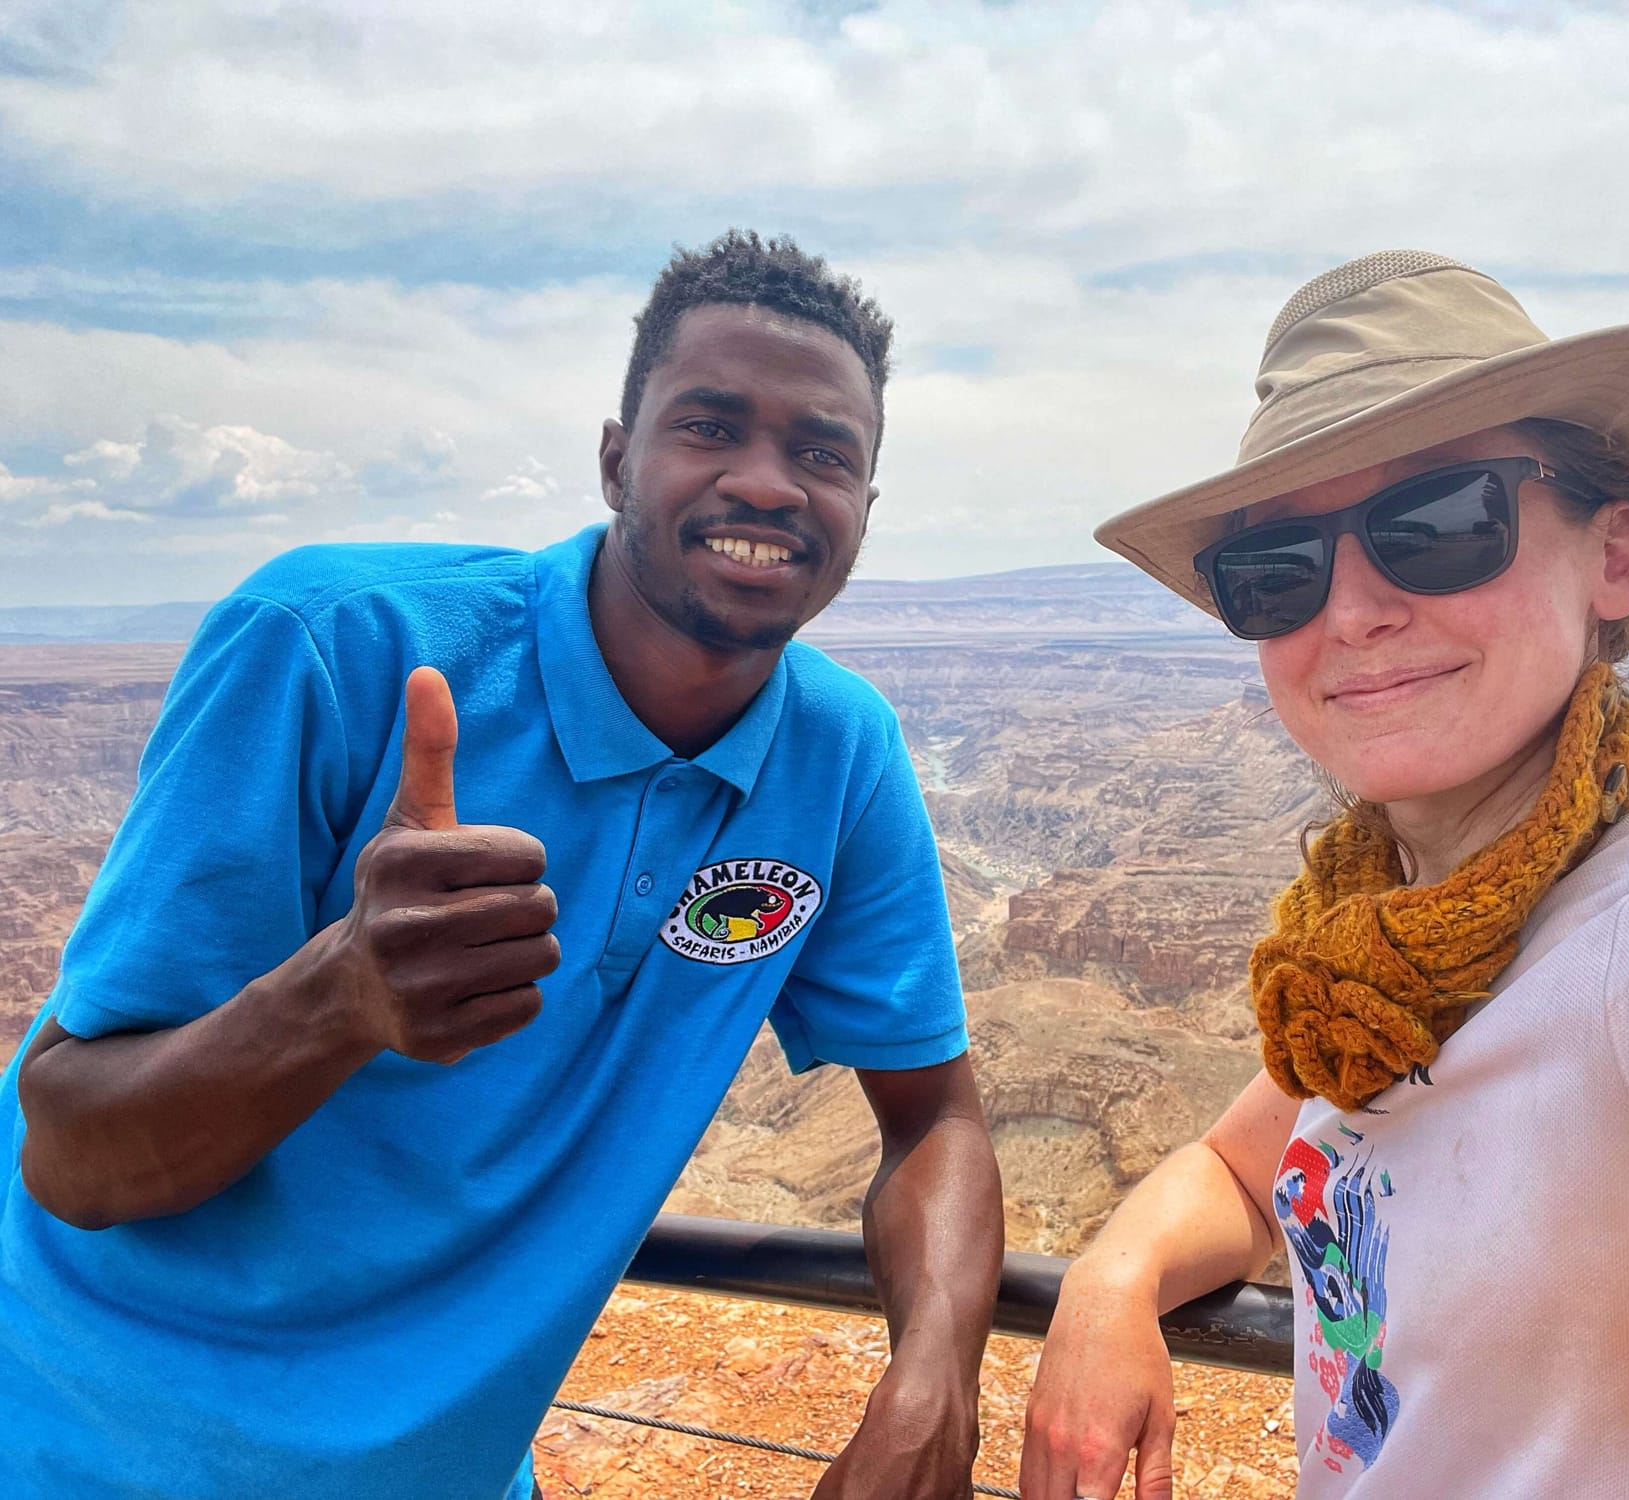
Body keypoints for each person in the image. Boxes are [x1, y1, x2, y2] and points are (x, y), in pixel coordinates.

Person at [2, 230, 1004, 1500]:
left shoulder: (838, 755)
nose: (767, 482)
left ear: (863, 506)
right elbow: (75, 1159)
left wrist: (933, 1388)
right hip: (82, 1453)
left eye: (822, 453)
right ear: (612, 460)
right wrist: (339, 1000)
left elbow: (936, 1121)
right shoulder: (332, 645)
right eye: (709, 426)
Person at [1019, 250, 1629, 1499]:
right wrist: (1108, 1286)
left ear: (1617, 558)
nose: (1354, 609)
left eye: (1435, 524)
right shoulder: (1377, 969)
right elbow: (1235, 1172)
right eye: (1276, 570)